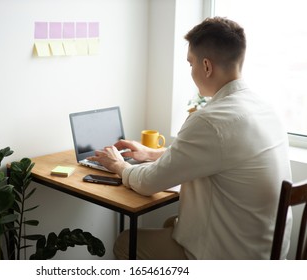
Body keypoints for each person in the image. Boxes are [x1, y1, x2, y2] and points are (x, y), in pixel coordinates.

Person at [87, 17, 293, 260]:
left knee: (125, 242)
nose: (191, 71)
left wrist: (119, 166)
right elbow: (223, 155)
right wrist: (153, 154)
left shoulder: (210, 120)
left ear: (206, 66)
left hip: (230, 257)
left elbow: (149, 183)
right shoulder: (265, 109)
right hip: (268, 251)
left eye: (190, 63)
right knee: (170, 223)